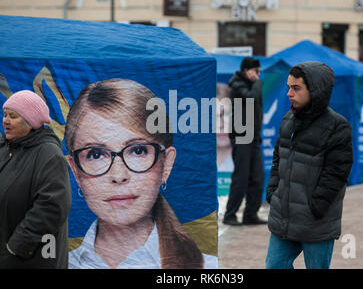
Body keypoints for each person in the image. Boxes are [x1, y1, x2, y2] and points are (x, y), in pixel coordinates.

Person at [65, 78, 218, 269]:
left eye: (138, 151)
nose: (119, 175)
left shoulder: (208, 268)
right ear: (75, 171)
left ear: (166, 164)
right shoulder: (59, 265)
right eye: (96, 154)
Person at [265, 61, 353, 269]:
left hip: (316, 221)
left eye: (296, 88)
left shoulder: (337, 126)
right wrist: (273, 191)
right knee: (274, 266)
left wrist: (317, 206)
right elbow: (278, 158)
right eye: (288, 87)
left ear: (315, 91)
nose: (289, 93)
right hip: (284, 217)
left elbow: (338, 171)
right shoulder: (288, 119)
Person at [0, 90, 72, 269]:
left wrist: (15, 248)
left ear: (30, 122)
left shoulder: (48, 155)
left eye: (13, 116)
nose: (5, 121)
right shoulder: (6, 147)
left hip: (30, 259)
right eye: (5, 115)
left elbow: (52, 208)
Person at [223, 57, 266, 226]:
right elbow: (251, 98)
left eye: (259, 71)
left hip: (253, 136)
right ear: (246, 70)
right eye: (256, 71)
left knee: (257, 177)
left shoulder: (249, 84)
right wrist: (257, 83)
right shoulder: (237, 85)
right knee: (241, 177)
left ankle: (250, 214)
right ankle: (230, 214)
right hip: (241, 136)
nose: (258, 75)